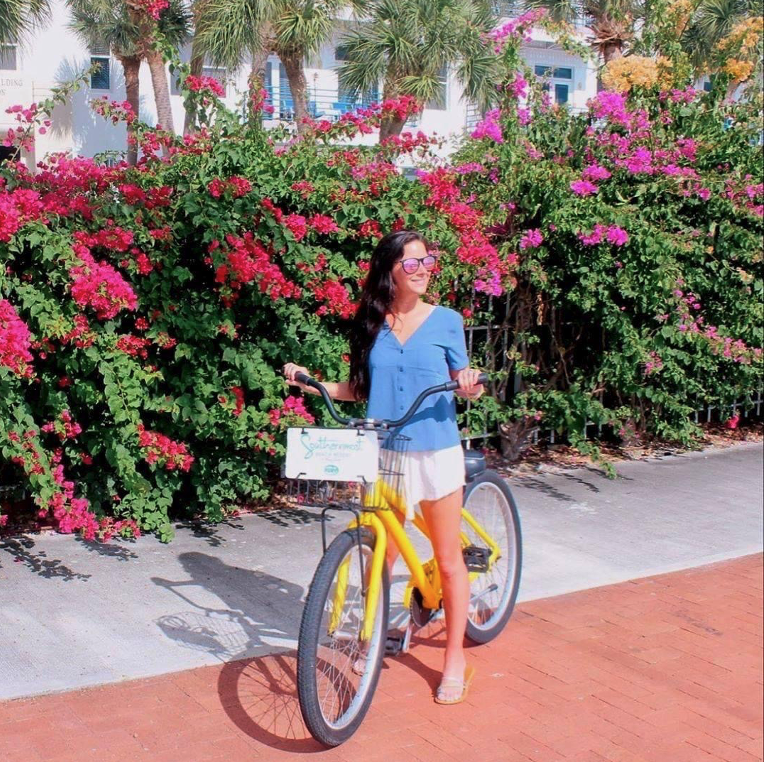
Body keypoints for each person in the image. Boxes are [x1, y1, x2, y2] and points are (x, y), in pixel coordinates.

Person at [283, 229, 484, 705]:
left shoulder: (446, 321)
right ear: (390, 270)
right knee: (384, 553)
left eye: (428, 261)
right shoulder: (372, 322)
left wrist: (470, 383)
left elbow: (463, 380)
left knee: (449, 561)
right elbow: (360, 388)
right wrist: (313, 386)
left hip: (434, 450)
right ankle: (376, 635)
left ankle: (453, 657)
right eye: (412, 263)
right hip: (386, 449)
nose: (424, 270)